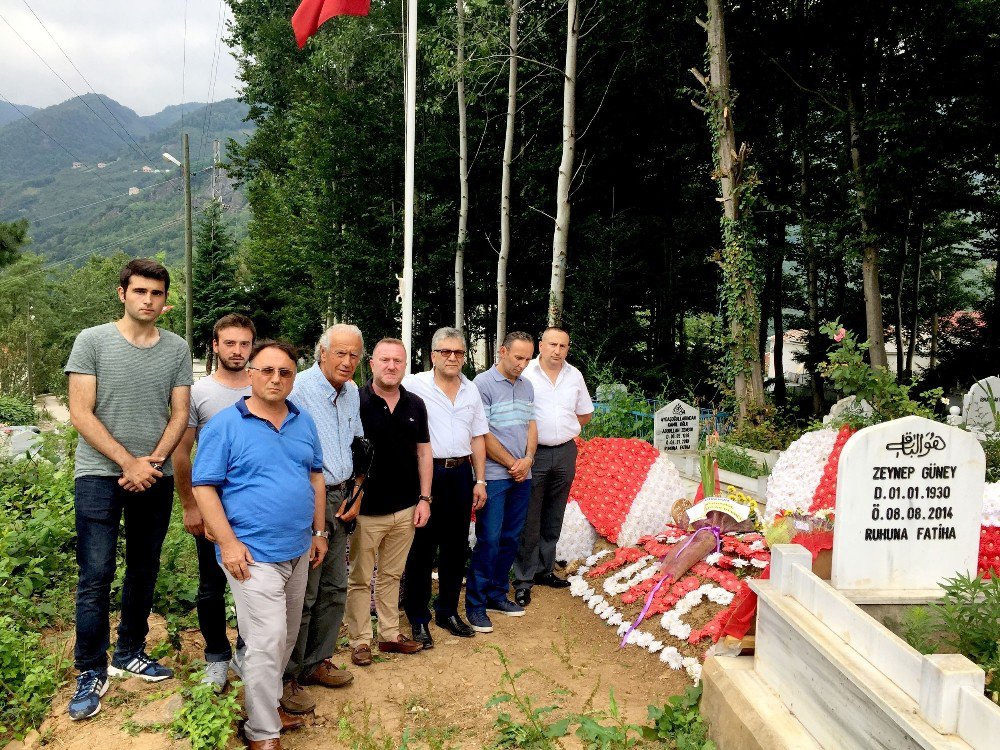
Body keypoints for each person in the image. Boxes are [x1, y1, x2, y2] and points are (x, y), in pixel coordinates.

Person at [65, 258, 193, 720]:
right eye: (140, 291)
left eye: (156, 294)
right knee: (96, 573)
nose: (148, 300)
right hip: (99, 475)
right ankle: (89, 670)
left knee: (144, 567)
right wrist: (128, 462)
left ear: (165, 300)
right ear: (123, 293)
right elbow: (81, 412)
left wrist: (152, 463)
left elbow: (180, 413)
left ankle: (130, 652)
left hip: (153, 474)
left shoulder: (177, 348)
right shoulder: (92, 341)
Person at [192, 340, 328, 750]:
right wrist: (229, 543)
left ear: (293, 378)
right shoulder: (224, 425)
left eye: (285, 372)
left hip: (298, 548)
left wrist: (319, 532)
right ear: (251, 374)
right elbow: (204, 486)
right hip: (251, 555)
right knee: (267, 640)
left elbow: (316, 477)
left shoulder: (303, 421)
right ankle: (262, 733)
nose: (276, 378)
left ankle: (263, 706)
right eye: (267, 370)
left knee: (283, 638)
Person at [280, 324, 365, 714]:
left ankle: (318, 661)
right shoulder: (298, 389)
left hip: (344, 496)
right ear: (322, 353)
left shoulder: (350, 395)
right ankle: (288, 676)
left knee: (334, 587)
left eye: (354, 355)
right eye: (340, 354)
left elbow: (358, 446)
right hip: (310, 498)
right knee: (304, 594)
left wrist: (357, 492)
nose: (347, 362)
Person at [172, 314, 256, 690]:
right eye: (230, 343)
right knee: (211, 585)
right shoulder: (199, 392)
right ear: (216, 346)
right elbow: (181, 451)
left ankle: (246, 653)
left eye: (244, 344)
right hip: (212, 507)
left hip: (256, 508)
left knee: (254, 583)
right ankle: (216, 658)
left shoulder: (264, 386)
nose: (237, 351)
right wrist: (190, 505)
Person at [347, 338, 431, 665]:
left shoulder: (415, 405)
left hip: (406, 507)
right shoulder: (355, 401)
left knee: (392, 575)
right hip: (367, 509)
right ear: (372, 364)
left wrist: (425, 498)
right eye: (385, 360)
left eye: (398, 361)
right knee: (360, 578)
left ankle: (390, 634)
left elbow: (424, 452)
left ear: (405, 365)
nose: (391, 366)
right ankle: (359, 641)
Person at [402, 327, 489, 644]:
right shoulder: (413, 384)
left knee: (455, 547)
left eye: (458, 353)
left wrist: (480, 479)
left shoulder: (471, 390)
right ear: (433, 355)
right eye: (445, 352)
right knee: (421, 549)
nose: (453, 358)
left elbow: (478, 436)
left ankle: (448, 611)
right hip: (425, 475)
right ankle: (418, 618)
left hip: (461, 474)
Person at [512, 327, 593, 605]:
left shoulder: (575, 376)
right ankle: (523, 578)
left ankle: (545, 570)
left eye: (563, 346)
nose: (557, 350)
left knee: (554, 515)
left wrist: (565, 430)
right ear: (541, 346)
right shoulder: (525, 373)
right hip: (533, 453)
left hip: (565, 452)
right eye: (552, 345)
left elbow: (585, 412)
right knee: (529, 518)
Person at [466, 331, 537, 633]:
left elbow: (531, 424)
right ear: (503, 351)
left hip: (523, 474)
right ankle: (476, 604)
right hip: (496, 476)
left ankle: (497, 594)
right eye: (518, 357)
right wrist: (512, 464)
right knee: (489, 539)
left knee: (510, 538)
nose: (523, 364)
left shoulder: (527, 386)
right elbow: (481, 434)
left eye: (528, 358)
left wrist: (529, 459)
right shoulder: (481, 385)